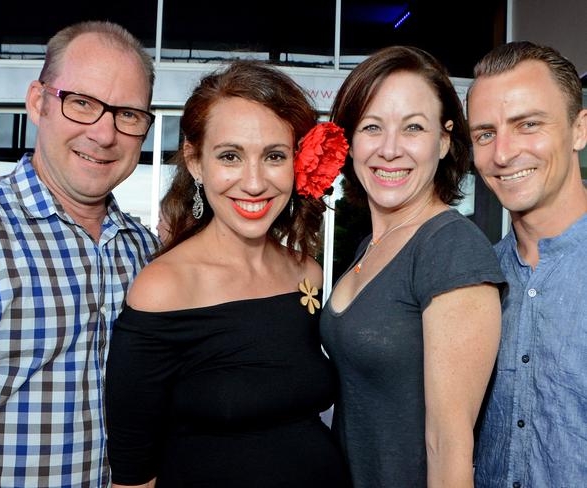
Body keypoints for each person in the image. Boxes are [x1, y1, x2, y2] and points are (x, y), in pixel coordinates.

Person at [105, 60, 352, 488]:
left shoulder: (306, 271)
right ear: (196, 162)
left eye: (274, 156)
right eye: (230, 156)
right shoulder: (164, 288)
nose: (254, 182)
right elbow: (132, 474)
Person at [0, 21, 158, 487]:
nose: (104, 134)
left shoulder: (143, 248)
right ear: (38, 102)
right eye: (81, 103)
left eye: (128, 114)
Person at [320, 45, 506, 487]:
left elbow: (449, 447)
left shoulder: (449, 248)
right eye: (371, 127)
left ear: (444, 141)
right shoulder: (373, 243)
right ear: (349, 141)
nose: (389, 149)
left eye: (413, 128)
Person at [467, 41, 587, 487]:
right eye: (484, 134)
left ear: (579, 130)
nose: (502, 154)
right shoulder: (475, 280)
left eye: (528, 124)